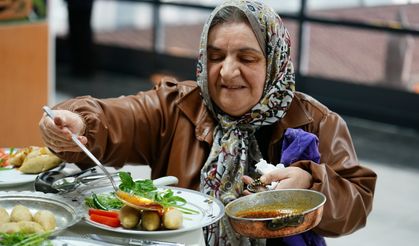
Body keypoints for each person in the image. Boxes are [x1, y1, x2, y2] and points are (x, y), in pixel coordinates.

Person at [39, 0, 377, 245]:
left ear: (274, 61)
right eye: (215, 57)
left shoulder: (315, 121)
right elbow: (115, 117)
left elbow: (357, 204)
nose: (227, 72)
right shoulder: (177, 106)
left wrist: (311, 183)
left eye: (246, 58)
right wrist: (79, 124)